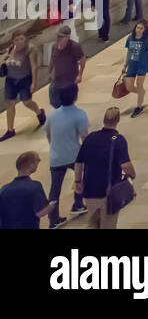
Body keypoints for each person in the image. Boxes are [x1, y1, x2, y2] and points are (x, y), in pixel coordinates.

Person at [74, 106, 136, 229]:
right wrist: (132, 175)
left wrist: (78, 182)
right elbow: (126, 165)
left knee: (92, 224)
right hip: (108, 191)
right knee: (108, 224)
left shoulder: (90, 138)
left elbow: (79, 162)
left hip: (89, 190)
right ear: (118, 120)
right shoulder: (118, 140)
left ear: (104, 120)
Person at [43, 84, 89, 226]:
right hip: (75, 156)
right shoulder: (80, 114)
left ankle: (53, 220)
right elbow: (84, 138)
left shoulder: (52, 115)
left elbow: (49, 135)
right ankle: (78, 202)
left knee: (55, 189)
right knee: (82, 176)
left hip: (56, 157)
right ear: (76, 96)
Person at [0, 152, 53, 229]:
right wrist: (52, 205)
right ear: (31, 164)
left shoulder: (4, 189)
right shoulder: (35, 186)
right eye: (37, 161)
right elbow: (41, 212)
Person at [121, 20, 148, 118]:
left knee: (139, 85)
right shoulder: (130, 38)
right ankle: (141, 93)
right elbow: (129, 53)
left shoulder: (147, 39)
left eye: (141, 28)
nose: (138, 30)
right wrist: (125, 66)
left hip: (142, 65)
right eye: (137, 27)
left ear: (145, 30)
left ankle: (139, 107)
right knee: (129, 87)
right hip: (132, 64)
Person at [46, 25, 84, 110]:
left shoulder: (75, 47)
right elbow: (52, 59)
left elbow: (82, 59)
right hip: (56, 79)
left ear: (67, 37)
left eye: (61, 37)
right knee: (54, 101)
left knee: (68, 103)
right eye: (58, 36)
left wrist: (80, 74)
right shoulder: (54, 46)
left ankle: (67, 115)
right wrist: (49, 72)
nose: (58, 39)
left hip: (70, 80)